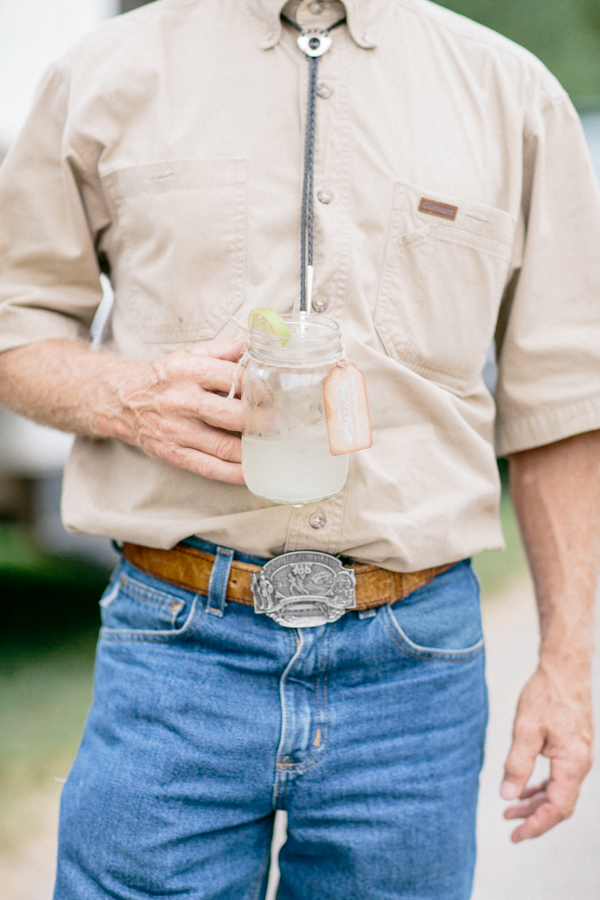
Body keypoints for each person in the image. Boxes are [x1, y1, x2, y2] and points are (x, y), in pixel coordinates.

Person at [1, 0, 599, 897]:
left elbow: (565, 404)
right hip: (176, 653)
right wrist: (125, 397)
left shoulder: (513, 94)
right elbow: (14, 319)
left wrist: (569, 667)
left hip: (415, 676)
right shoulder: (103, 73)